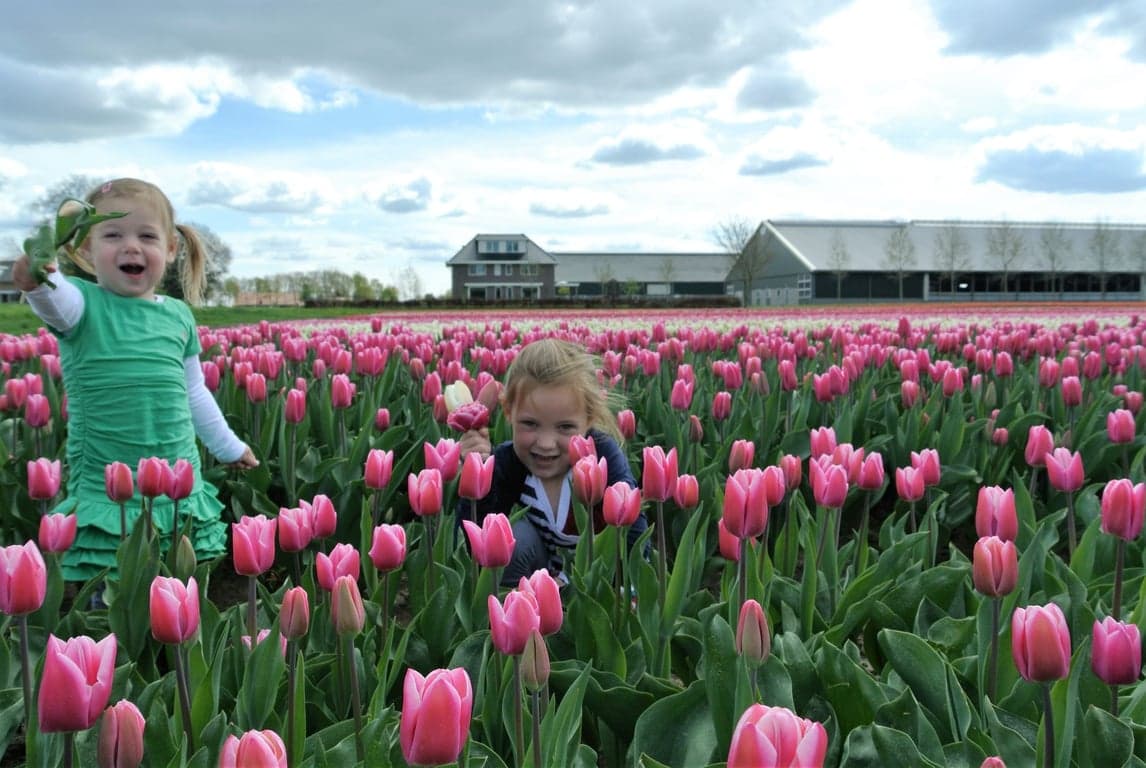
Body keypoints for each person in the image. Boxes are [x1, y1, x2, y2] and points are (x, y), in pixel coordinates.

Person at [12, 178, 257, 582]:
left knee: (175, 589)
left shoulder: (178, 315)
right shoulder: (80, 305)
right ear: (85, 248)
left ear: (171, 249)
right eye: (112, 235)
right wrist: (35, 270)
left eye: (147, 236)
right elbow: (46, 290)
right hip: (109, 485)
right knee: (113, 585)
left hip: (178, 475)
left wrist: (228, 446)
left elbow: (193, 392)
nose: (131, 246)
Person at [457, 337, 645, 584]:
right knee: (512, 538)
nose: (546, 443)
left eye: (565, 427)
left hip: (603, 582)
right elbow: (475, 539)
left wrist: (627, 589)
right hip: (540, 576)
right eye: (530, 424)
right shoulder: (509, 463)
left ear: (589, 418)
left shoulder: (601, 456)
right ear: (508, 411)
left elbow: (633, 532)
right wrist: (477, 475)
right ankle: (512, 601)